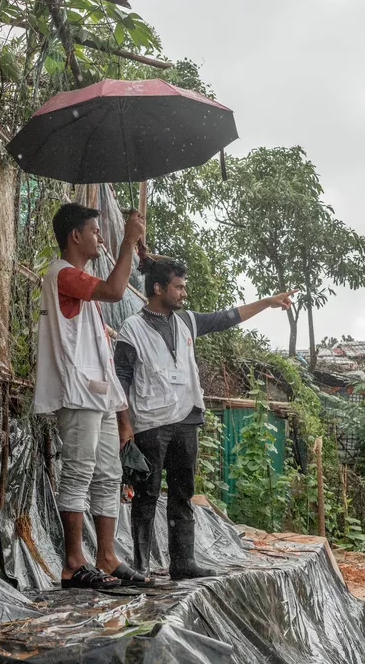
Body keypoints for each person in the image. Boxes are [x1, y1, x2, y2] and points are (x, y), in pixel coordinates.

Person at [114, 257, 295, 579]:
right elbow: (121, 379)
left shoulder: (187, 321)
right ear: (159, 288)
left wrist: (267, 302)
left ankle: (182, 562)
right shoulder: (132, 328)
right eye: (178, 287)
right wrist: (124, 425)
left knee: (182, 493)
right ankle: (141, 565)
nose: (184, 293)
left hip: (186, 418)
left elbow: (227, 317)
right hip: (150, 422)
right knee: (146, 494)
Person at [33, 203, 152, 589]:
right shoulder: (63, 274)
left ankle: (106, 557)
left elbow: (102, 355)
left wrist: (122, 414)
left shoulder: (81, 288)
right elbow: (116, 291)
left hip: (97, 395)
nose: (100, 238)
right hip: (78, 393)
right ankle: (72, 563)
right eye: (95, 231)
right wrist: (128, 242)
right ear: (75, 236)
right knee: (79, 472)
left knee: (108, 475)